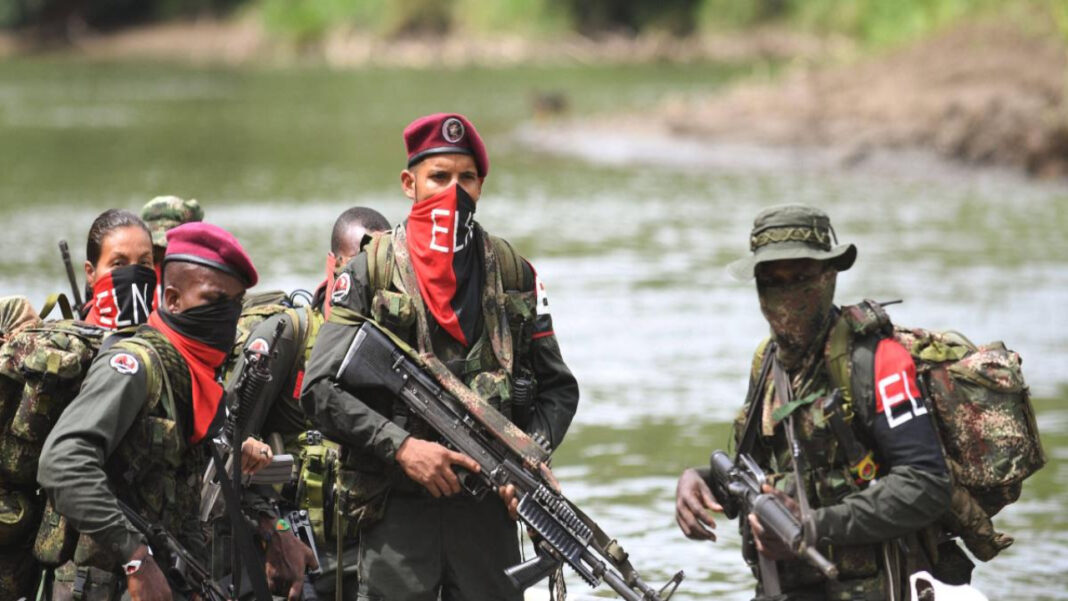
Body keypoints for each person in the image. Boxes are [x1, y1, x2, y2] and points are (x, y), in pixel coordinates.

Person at [301, 113, 580, 600]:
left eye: (465, 178)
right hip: (395, 511)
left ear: (481, 185)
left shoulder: (513, 271)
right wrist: (403, 448)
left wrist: (528, 456)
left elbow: (558, 389)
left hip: (487, 514)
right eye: (439, 177)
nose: (453, 191)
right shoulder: (372, 269)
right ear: (410, 184)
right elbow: (319, 391)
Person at [675, 204, 960, 601]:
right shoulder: (767, 363)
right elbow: (754, 474)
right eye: (771, 281)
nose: (786, 294)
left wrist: (815, 526)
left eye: (800, 278)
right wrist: (701, 482)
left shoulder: (875, 361)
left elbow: (926, 485)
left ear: (830, 276)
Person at [38, 223, 314, 601]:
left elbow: (221, 479)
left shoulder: (196, 378)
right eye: (215, 301)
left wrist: (276, 530)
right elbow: (62, 461)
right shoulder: (136, 367)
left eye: (234, 304)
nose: (227, 316)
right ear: (172, 299)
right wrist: (136, 559)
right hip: (106, 585)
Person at [224, 206, 390, 601]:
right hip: (295, 550)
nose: (366, 281)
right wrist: (277, 534)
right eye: (354, 267)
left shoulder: (396, 346)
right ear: (332, 265)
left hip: (374, 553)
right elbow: (226, 454)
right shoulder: (289, 335)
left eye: (379, 271)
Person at [0, 209, 158, 600]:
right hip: (75, 561)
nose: (133, 275)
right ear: (91, 272)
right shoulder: (59, 347)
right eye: (119, 264)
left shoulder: (165, 349)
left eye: (145, 264)